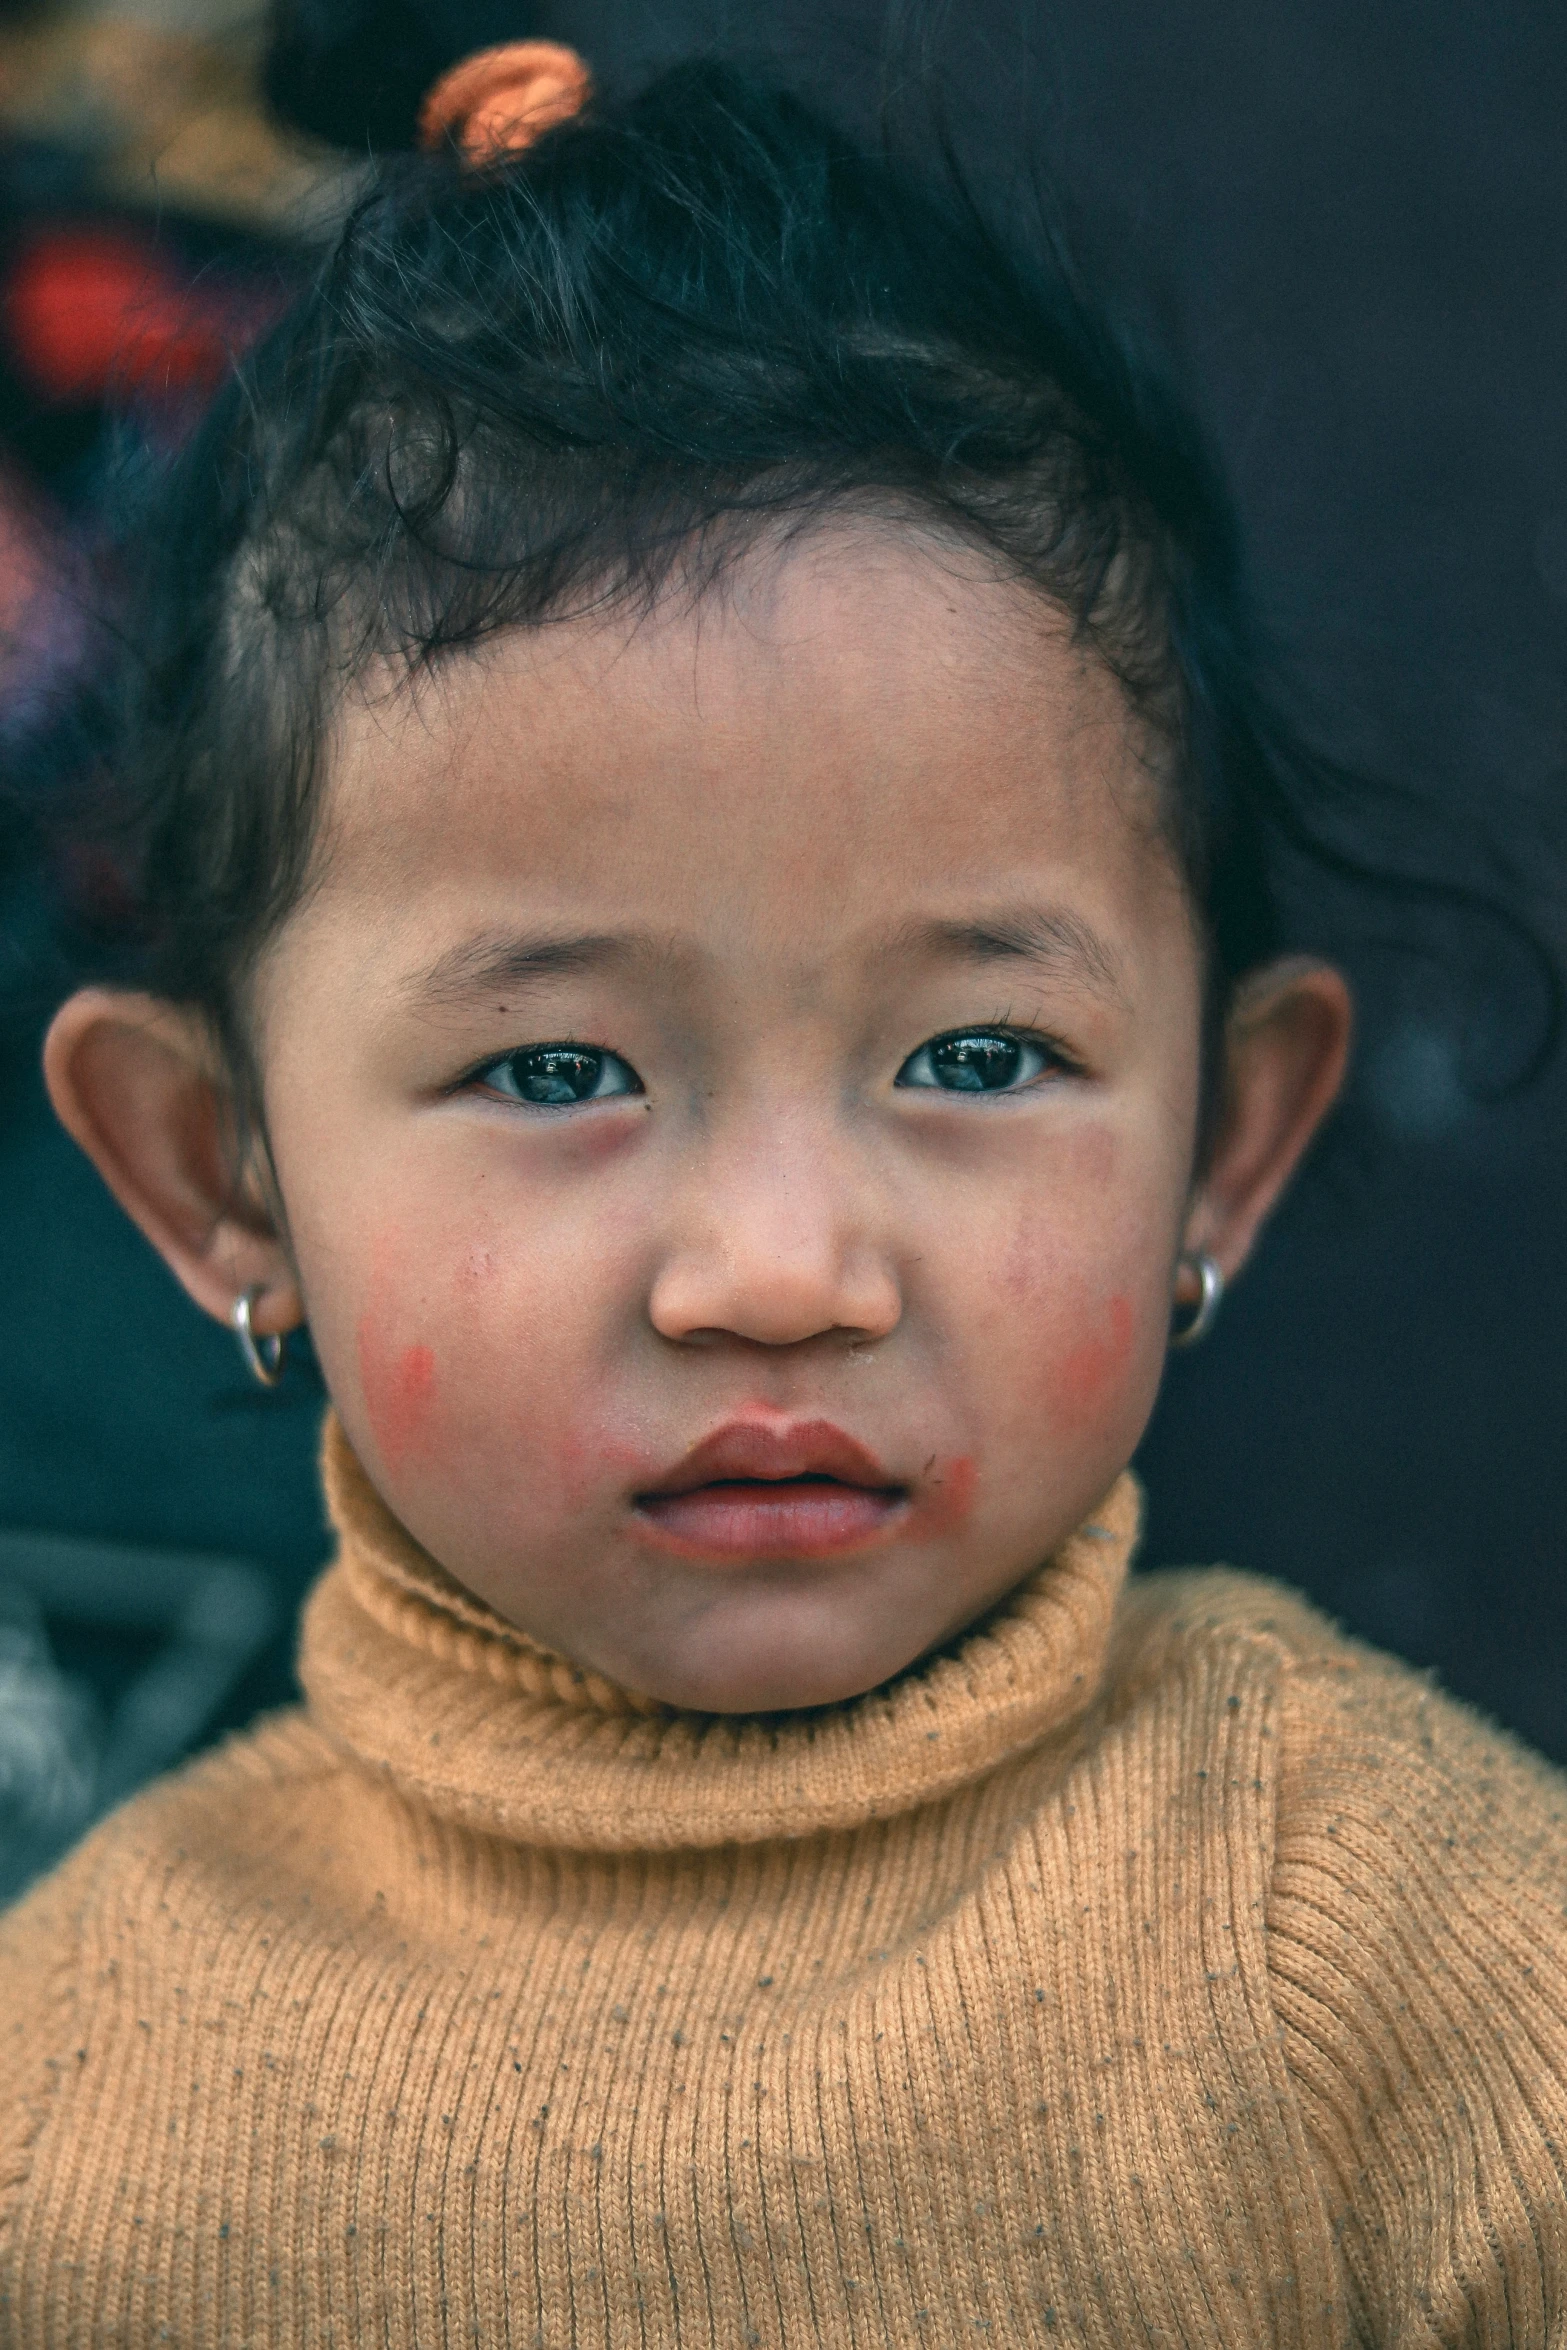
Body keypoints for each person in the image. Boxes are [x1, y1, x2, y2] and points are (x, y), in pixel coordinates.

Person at [2, 44, 1563, 2348]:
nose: (778, 1274)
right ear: (221, 1173)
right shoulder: (75, 2089)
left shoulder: (1400, 1959)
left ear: (1224, 1142)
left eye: (975, 1056)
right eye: (557, 1066)